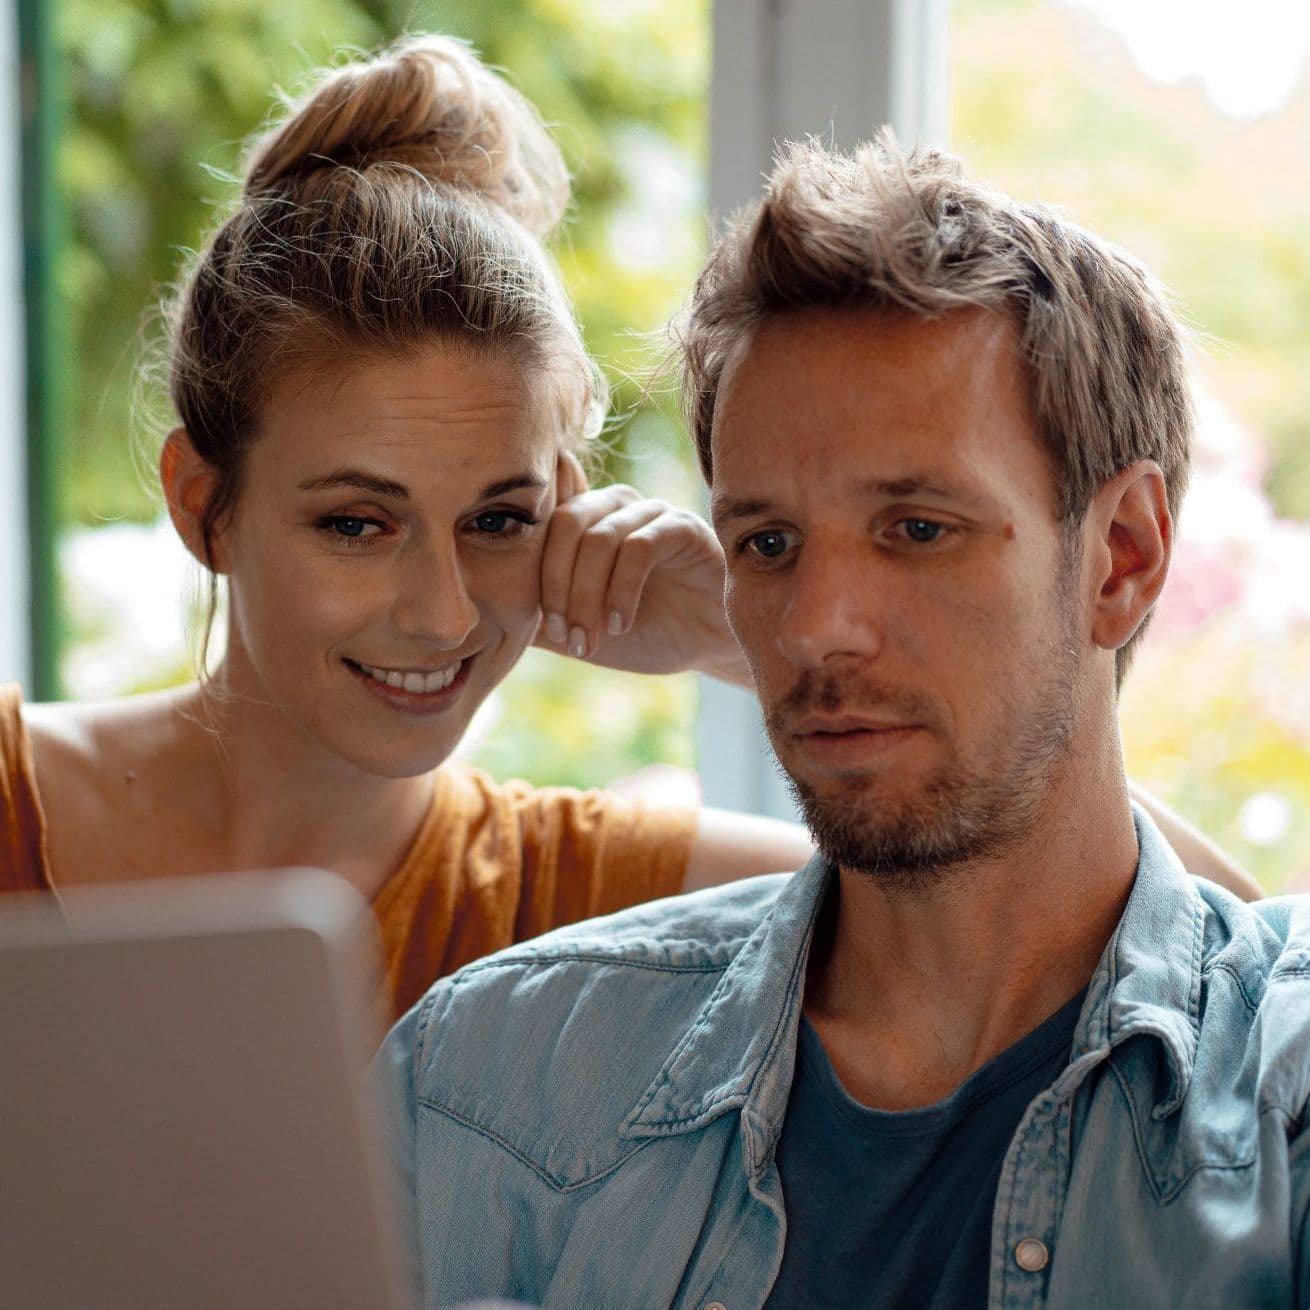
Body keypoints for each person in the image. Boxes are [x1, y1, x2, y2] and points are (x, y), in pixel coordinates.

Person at [377, 133, 1310, 1308]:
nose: (814, 626)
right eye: (764, 544)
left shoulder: (1285, 1089)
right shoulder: (483, 1083)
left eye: (916, 529)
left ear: (1119, 557)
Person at [0, 35, 818, 1020]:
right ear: (200, 504)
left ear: (561, 498)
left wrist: (751, 636)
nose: (442, 614)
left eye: (498, 518)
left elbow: (1024, 922)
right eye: (355, 523)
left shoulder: (592, 896)